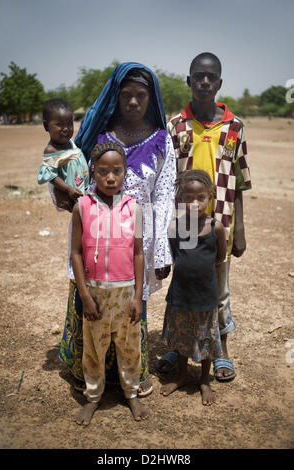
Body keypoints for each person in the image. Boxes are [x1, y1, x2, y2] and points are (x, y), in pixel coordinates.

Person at [59, 63, 176, 396]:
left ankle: (127, 375)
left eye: (141, 95)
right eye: (126, 95)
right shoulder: (99, 133)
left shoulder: (162, 141)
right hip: (95, 238)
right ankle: (88, 372)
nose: (134, 102)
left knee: (129, 307)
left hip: (135, 242)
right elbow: (73, 178)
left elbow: (165, 194)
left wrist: (162, 251)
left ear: (151, 98)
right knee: (90, 302)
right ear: (116, 96)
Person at [158, 52, 252, 381]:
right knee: (183, 283)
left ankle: (219, 349)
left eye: (211, 77)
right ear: (189, 81)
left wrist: (238, 229)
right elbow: (167, 179)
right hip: (184, 223)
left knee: (219, 288)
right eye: (198, 76)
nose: (205, 82)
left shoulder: (235, 127)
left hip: (219, 222)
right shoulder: (175, 126)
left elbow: (239, 182)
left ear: (220, 83)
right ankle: (178, 345)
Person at [72, 141, 149, 425]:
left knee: (129, 346)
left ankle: (132, 394)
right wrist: (85, 294)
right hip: (95, 293)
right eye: (103, 171)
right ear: (93, 172)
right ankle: (93, 398)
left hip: (126, 291)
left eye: (117, 171)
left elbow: (139, 254)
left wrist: (138, 296)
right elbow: (76, 253)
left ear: (126, 172)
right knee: (94, 348)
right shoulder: (82, 207)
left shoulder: (135, 209)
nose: (110, 177)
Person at [160, 170, 226, 404]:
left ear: (210, 197)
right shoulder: (175, 227)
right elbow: (175, 253)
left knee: (205, 336)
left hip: (206, 295)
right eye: (188, 198)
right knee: (181, 336)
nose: (195, 203)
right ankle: (181, 375)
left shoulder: (215, 227)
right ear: (180, 200)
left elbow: (220, 256)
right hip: (181, 293)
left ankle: (204, 380)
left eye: (201, 197)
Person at [37, 98, 89, 212]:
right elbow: (50, 176)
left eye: (69, 124)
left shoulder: (71, 143)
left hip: (82, 189)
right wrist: (68, 189)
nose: (66, 129)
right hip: (70, 195)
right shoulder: (51, 150)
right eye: (60, 125)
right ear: (46, 126)